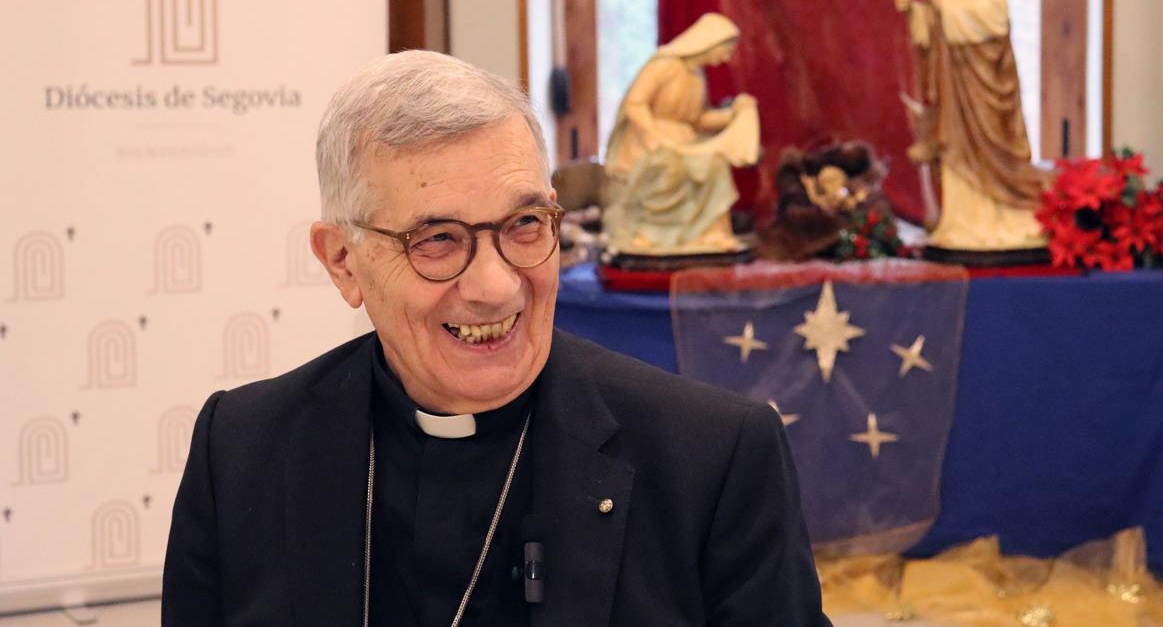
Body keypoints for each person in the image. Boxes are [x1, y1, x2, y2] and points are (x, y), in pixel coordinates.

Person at [162, 50, 829, 625]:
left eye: (524, 226)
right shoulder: (242, 450)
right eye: (438, 239)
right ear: (343, 260)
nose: (497, 284)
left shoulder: (713, 459)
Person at [895, 0, 1047, 251]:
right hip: (954, 83)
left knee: (988, 143)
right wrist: (916, 13)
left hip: (981, 81)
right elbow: (934, 30)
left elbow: (994, 16)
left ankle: (1004, 218)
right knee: (955, 144)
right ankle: (965, 222)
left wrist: (939, 13)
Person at [603, 12, 760, 256]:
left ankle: (712, 233)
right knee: (672, 166)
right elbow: (636, 103)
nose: (726, 57)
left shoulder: (697, 75)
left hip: (686, 142)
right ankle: (650, 234)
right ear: (709, 43)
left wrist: (733, 114)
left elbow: (697, 119)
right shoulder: (664, 65)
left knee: (716, 164)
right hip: (650, 142)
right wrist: (654, 135)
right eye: (725, 49)